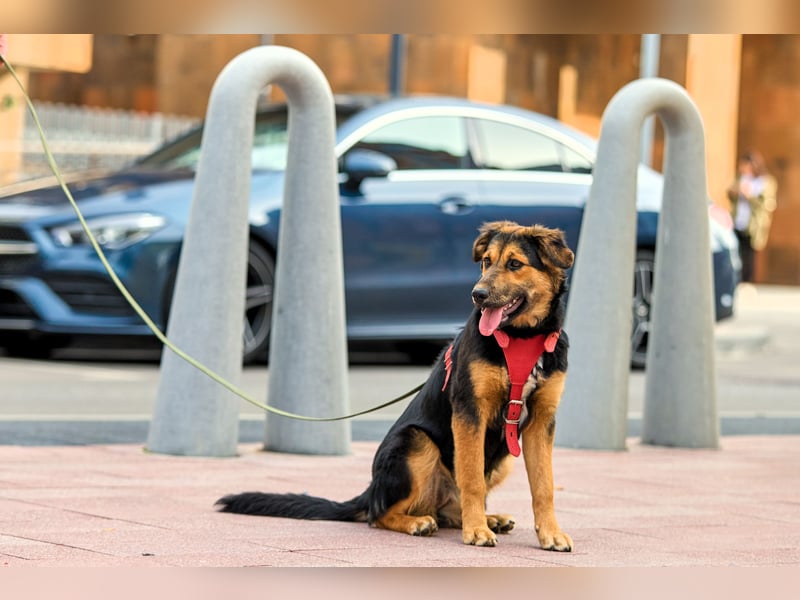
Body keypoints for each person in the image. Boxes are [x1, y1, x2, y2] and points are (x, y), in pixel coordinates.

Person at [726, 150, 777, 283]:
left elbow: (766, 204)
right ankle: (734, 280)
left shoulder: (765, 182)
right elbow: (729, 193)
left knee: (749, 254)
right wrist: (736, 192)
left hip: (753, 224)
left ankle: (746, 281)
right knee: (735, 251)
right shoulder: (740, 178)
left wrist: (749, 196)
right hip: (738, 220)